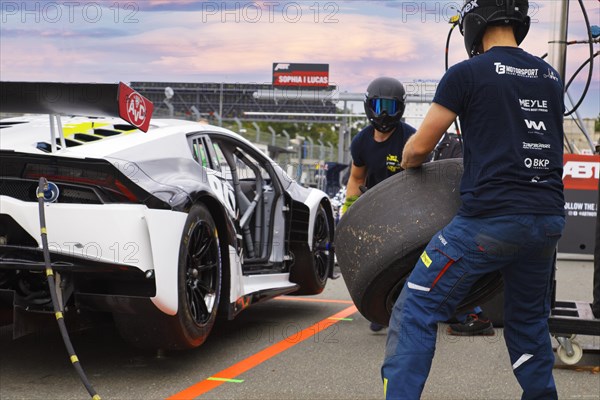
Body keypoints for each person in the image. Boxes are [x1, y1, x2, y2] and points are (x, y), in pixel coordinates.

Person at [382, 1, 565, 398]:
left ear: (474, 21)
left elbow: (419, 148)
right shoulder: (550, 76)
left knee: (416, 307)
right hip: (548, 219)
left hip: (490, 220)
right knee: (529, 323)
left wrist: (407, 162)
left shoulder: (465, 74)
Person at [340, 76, 416, 332]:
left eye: (391, 107)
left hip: (406, 209)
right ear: (369, 106)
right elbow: (356, 177)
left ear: (401, 109)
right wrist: (347, 212)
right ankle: (380, 307)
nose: (384, 113)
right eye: (379, 105)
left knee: (407, 261)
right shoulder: (361, 142)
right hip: (375, 210)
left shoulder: (411, 138)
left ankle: (404, 308)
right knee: (376, 262)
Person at [430, 132, 495, 336]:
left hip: (463, 218)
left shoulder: (455, 144)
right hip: (465, 215)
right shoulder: (451, 143)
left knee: (448, 264)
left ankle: (474, 315)